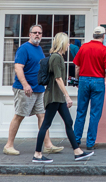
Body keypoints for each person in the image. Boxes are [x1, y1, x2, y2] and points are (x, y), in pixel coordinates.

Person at [32, 33, 94, 163]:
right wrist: (68, 96)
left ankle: (77, 152)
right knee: (45, 124)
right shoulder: (56, 58)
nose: (68, 46)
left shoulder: (58, 57)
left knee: (69, 123)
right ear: (62, 43)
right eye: (67, 43)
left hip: (58, 97)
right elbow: (58, 79)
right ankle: (37, 154)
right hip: (54, 97)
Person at [4, 24, 61, 155]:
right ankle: (8, 145)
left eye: (40, 33)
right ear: (29, 34)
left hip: (39, 89)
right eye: (35, 32)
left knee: (42, 116)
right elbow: (18, 68)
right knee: (19, 116)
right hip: (25, 90)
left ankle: (48, 145)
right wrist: (25, 85)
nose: (37, 35)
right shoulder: (24, 49)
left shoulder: (39, 48)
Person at [72, 25, 106, 150]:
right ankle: (90, 143)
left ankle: (76, 140)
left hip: (83, 79)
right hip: (98, 81)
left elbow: (77, 67)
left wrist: (78, 80)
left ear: (93, 35)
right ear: (103, 36)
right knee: (95, 113)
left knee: (81, 112)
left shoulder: (83, 47)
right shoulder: (104, 50)